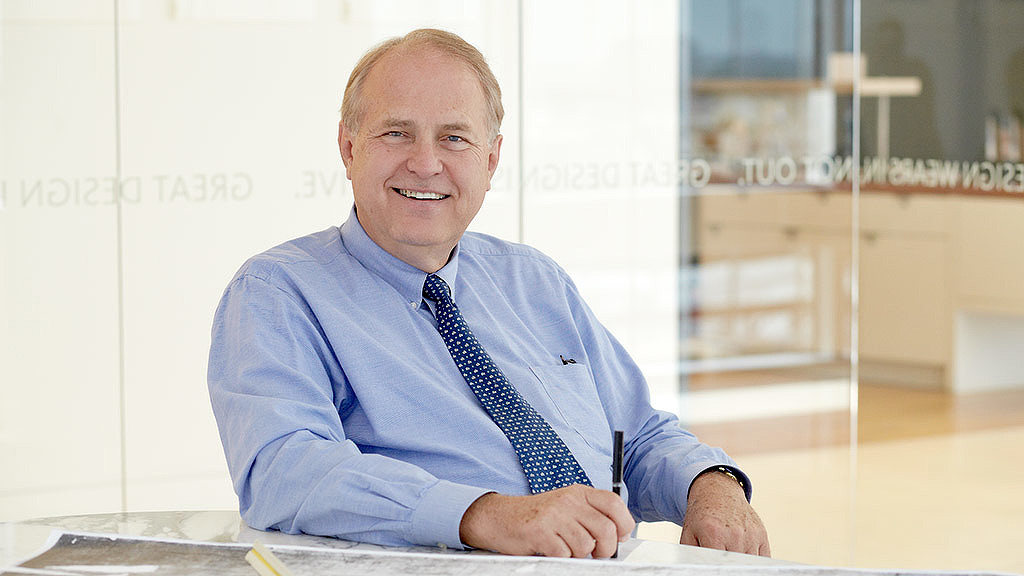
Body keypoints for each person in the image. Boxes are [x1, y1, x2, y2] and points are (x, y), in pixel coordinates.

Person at [207, 28, 769, 559]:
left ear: (491, 159)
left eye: (454, 138)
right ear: (348, 147)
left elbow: (639, 433)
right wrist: (485, 516)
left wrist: (710, 483)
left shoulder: (533, 280)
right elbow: (283, 469)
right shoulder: (278, 292)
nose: (426, 164)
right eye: (396, 133)